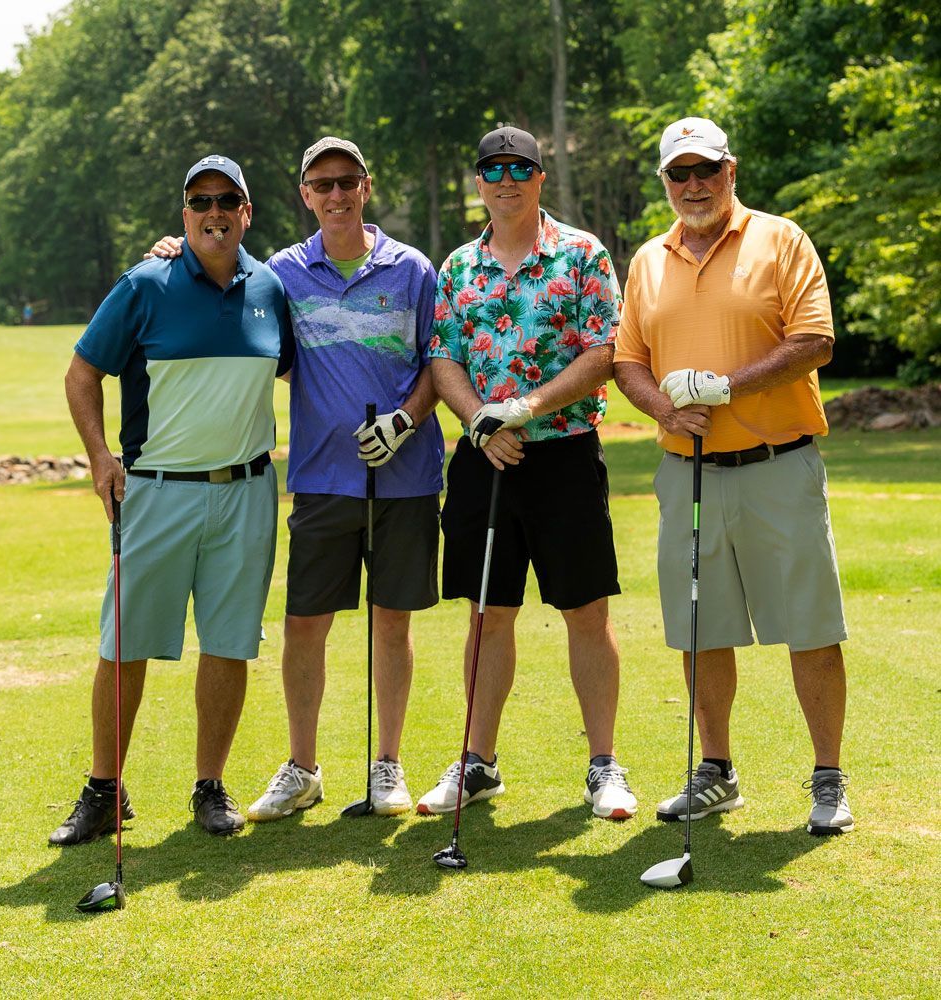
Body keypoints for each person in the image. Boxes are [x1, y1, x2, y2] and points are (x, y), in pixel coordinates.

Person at [148, 137, 443, 818]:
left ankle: (388, 766)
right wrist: (177, 251)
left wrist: (404, 418)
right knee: (305, 626)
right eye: (321, 185)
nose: (335, 195)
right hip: (321, 479)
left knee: (391, 625)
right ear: (304, 195)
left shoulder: (413, 270)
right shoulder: (282, 274)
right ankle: (303, 767)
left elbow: (440, 359)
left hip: (406, 479)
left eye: (346, 182)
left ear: (365, 186)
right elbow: (230, 292)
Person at [613, 117, 853, 835]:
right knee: (699, 626)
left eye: (705, 171)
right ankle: (716, 772)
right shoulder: (648, 260)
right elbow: (628, 360)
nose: (693, 186)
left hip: (779, 464)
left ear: (730, 172)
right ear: (664, 181)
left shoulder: (781, 240)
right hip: (689, 473)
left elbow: (815, 341)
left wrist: (722, 388)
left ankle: (829, 777)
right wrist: (664, 406)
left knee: (809, 626)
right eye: (679, 174)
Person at [50, 154, 293, 846]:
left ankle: (209, 786)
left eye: (227, 200)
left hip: (246, 493)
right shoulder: (145, 284)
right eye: (200, 201)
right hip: (156, 491)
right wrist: (100, 456)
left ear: (247, 211)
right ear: (184, 214)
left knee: (229, 644)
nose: (214, 212)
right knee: (124, 643)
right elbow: (81, 373)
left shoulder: (270, 289)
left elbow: (293, 368)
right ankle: (104, 789)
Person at [421, 125, 637, 820]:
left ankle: (603, 765)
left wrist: (525, 408)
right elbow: (443, 357)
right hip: (487, 461)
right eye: (492, 169)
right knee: (488, 617)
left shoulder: (582, 255)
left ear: (540, 177)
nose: (505, 179)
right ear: (478, 183)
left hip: (564, 456)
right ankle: (477, 763)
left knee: (585, 612)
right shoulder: (458, 268)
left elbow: (604, 350)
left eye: (519, 168)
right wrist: (483, 418)